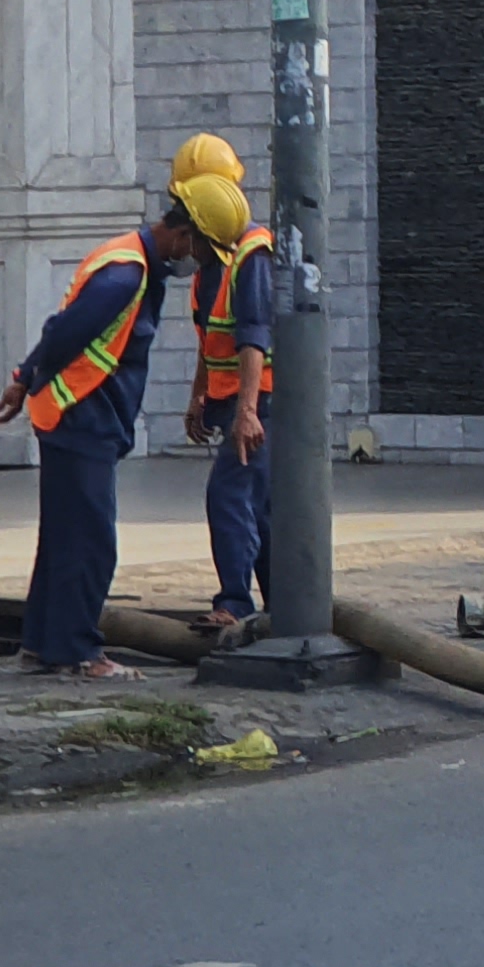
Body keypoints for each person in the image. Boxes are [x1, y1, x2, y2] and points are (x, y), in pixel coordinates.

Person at [0, 174, 243, 678]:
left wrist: (23, 380)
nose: (200, 263)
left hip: (76, 416)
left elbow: (62, 331)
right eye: (203, 252)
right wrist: (26, 379)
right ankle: (80, 653)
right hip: (82, 417)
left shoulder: (131, 262)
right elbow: (64, 333)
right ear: (184, 236)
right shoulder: (126, 276)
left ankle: (44, 645)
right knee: (90, 542)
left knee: (63, 538)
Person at [170, 133, 280, 631]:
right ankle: (283, 604)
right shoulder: (211, 262)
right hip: (236, 401)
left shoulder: (251, 254)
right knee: (259, 506)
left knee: (228, 495)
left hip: (259, 401)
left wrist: (247, 411)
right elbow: (209, 335)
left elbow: (253, 336)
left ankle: (235, 604)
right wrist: (199, 395)